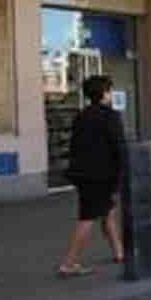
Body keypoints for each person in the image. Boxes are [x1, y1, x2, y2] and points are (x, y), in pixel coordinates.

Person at [58, 74, 125, 277]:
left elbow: (74, 145)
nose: (111, 94)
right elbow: (118, 146)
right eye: (109, 91)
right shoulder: (110, 116)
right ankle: (69, 263)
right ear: (104, 93)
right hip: (101, 175)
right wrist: (123, 173)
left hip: (83, 174)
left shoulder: (81, 115)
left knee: (108, 212)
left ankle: (119, 252)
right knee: (88, 217)